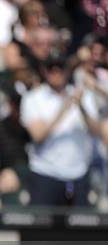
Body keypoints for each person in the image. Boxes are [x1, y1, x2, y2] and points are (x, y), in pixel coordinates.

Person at [20, 55, 102, 206]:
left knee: (82, 227)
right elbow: (38, 135)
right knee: (41, 228)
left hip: (78, 174)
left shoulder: (82, 95)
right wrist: (64, 107)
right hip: (46, 173)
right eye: (52, 69)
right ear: (44, 71)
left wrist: (81, 107)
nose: (56, 73)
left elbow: (97, 132)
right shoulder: (33, 98)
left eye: (61, 68)